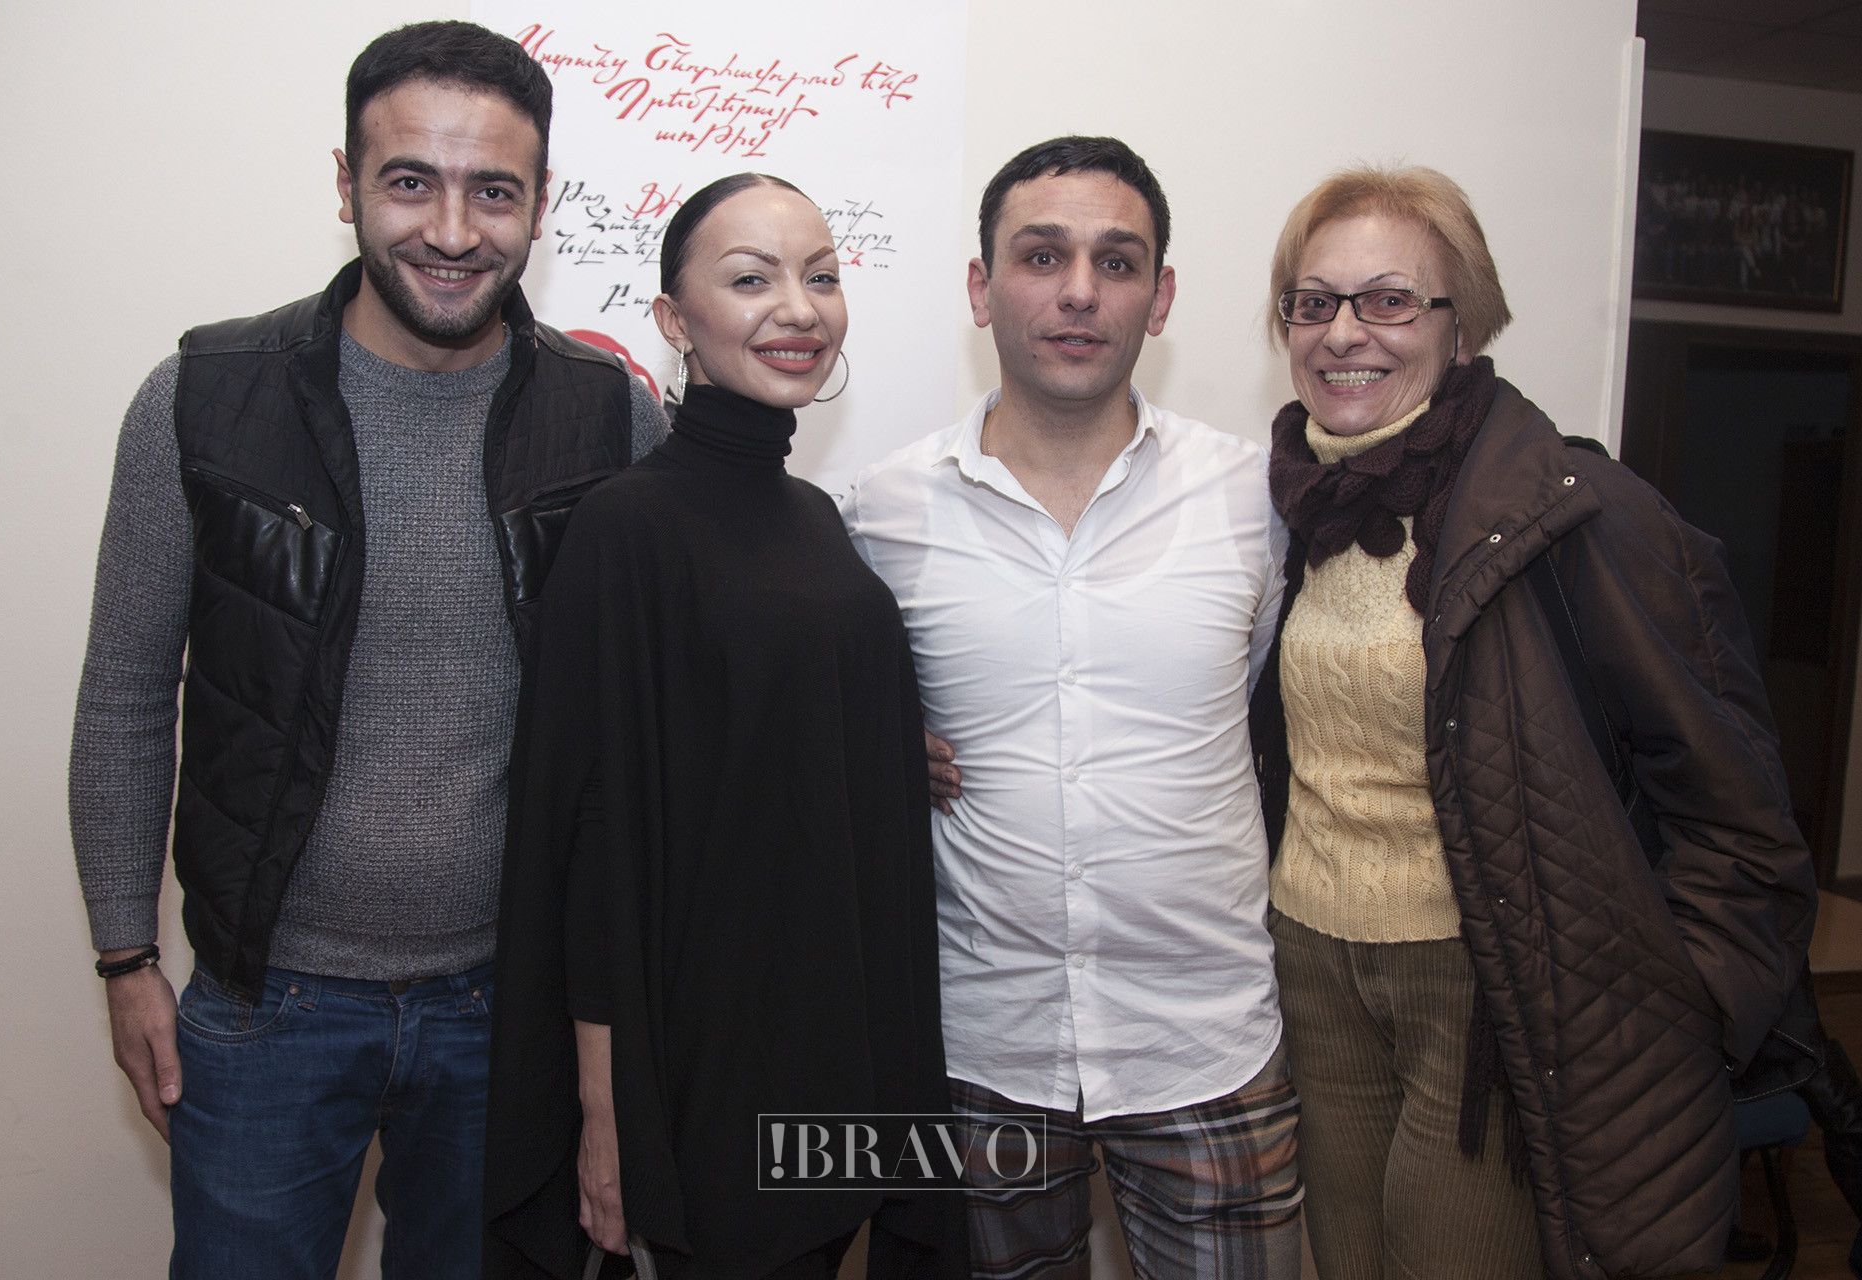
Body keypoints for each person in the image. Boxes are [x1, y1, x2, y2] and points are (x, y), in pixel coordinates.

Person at [67, 21, 668, 1279]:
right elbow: (125, 692)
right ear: (345, 183)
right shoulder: (200, 396)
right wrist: (127, 955)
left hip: (511, 1007)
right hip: (264, 1006)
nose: (452, 231)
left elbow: (693, 668)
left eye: (492, 190)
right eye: (409, 181)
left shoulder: (610, 416)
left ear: (541, 203)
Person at [1248, 163, 1819, 1279]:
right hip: (1311, 968)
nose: (1343, 332)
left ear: (1461, 326)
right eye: (1314, 302)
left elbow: (1741, 815)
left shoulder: (1578, 517)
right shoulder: (1285, 512)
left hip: (1496, 993)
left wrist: (1672, 1010)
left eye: (1389, 300)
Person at [483, 173, 963, 1280]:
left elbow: (769, 742)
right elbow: (591, 847)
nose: (798, 308)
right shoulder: (626, 528)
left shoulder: (816, 517)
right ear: (673, 319)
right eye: (751, 279)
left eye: (821, 277)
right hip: (707, 1073)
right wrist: (605, 1114)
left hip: (841, 1043)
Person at [843, 136, 1301, 1280]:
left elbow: (1261, 695)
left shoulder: (1252, 499)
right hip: (979, 1040)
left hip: (1207, 1038)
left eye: (1118, 261)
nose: (1080, 291)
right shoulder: (881, 513)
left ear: (1162, 296)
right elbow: (845, 721)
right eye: (1042, 256)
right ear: (981, 285)